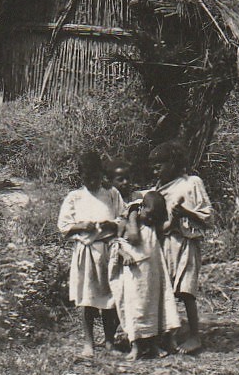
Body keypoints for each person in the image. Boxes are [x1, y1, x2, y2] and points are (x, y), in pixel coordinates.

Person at [57, 151, 124, 355]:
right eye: (88, 177)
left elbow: (124, 217)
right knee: (87, 298)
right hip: (86, 252)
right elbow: (64, 226)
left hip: (108, 250)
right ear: (81, 176)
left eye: (96, 176)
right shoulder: (75, 197)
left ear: (101, 174)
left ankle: (110, 341)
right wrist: (81, 226)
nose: (93, 181)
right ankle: (89, 343)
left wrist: (111, 223)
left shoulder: (111, 193)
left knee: (110, 298)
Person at [152, 143, 213, 355]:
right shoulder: (159, 188)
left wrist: (185, 212)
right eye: (154, 166)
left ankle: (195, 335)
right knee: (166, 290)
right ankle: (168, 334)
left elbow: (207, 217)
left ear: (173, 163)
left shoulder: (191, 183)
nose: (156, 170)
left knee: (186, 291)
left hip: (186, 243)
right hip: (166, 244)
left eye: (160, 165)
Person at [109, 188, 174, 359]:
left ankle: (153, 346)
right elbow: (115, 242)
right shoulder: (127, 223)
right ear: (141, 208)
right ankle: (135, 347)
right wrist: (125, 254)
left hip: (150, 275)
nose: (151, 219)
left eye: (155, 217)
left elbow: (166, 225)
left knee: (152, 308)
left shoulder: (152, 226)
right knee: (134, 309)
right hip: (133, 274)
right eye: (149, 214)